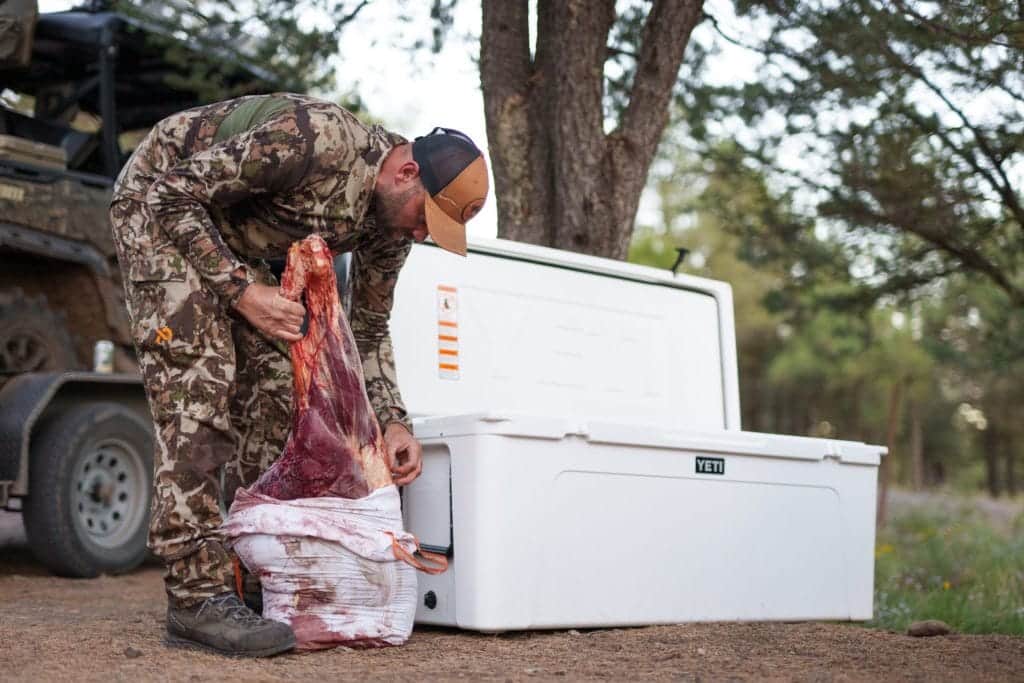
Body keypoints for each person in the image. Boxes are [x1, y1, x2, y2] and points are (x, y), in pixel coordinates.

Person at [108, 93, 489, 657]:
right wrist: (242, 292)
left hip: (232, 238)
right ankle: (196, 597)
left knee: (283, 391)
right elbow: (173, 193)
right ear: (406, 173)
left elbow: (369, 327)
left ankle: (255, 572)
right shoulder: (315, 140)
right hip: (160, 205)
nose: (420, 235)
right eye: (424, 218)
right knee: (199, 389)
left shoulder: (391, 228)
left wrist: (393, 420)